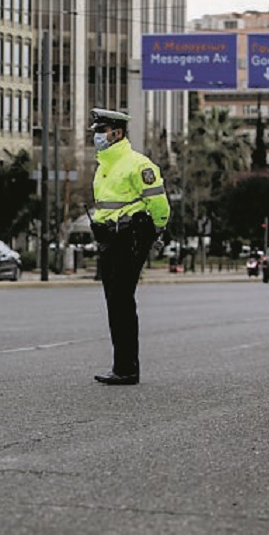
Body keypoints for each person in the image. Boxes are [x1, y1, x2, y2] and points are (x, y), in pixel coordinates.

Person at [88, 108, 170, 385]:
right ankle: (121, 365)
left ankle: (127, 369)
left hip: (130, 237)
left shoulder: (138, 164)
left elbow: (159, 205)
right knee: (114, 301)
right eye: (96, 131)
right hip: (109, 239)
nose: (97, 136)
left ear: (117, 133)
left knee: (121, 299)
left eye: (102, 131)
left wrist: (154, 230)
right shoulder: (104, 167)